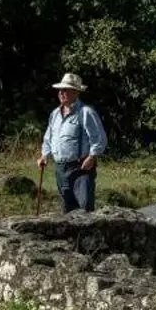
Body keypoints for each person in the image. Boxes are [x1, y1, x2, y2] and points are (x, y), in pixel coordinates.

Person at [36, 72, 108, 213]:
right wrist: (44, 155)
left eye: (65, 90)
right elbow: (48, 138)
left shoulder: (86, 112)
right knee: (67, 212)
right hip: (60, 169)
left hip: (81, 169)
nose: (61, 93)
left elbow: (100, 138)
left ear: (76, 92)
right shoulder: (55, 114)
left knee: (84, 211)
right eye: (60, 90)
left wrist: (92, 157)